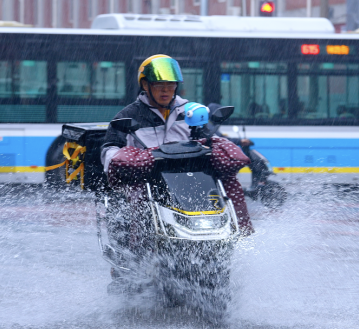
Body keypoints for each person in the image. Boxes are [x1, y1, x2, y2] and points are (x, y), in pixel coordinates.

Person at [101, 55, 254, 235]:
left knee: (228, 180)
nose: (166, 90)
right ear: (145, 85)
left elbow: (207, 138)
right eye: (159, 85)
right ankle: (140, 247)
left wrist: (216, 147)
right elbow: (109, 149)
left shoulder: (190, 111)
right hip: (150, 178)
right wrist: (124, 158)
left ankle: (241, 233)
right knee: (138, 194)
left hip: (189, 176)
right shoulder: (127, 115)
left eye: (171, 85)